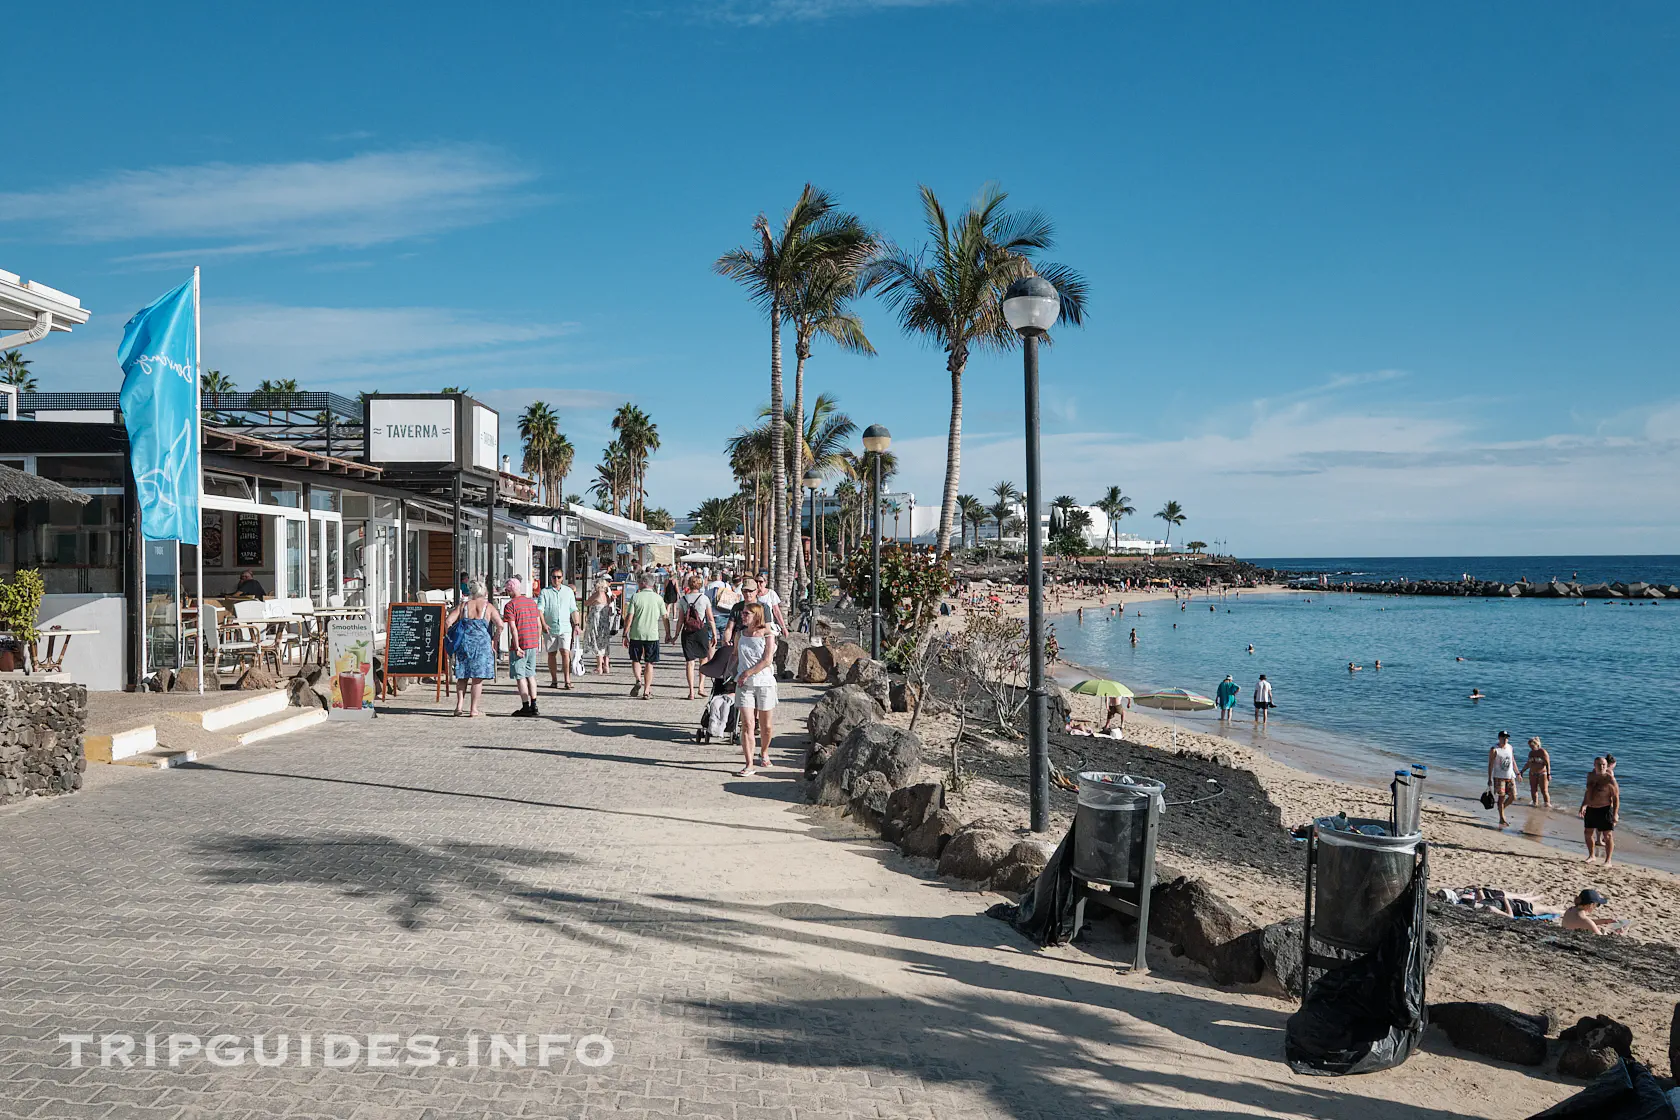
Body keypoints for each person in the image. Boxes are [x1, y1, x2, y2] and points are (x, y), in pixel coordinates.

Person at [733, 603, 778, 776]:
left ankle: (764, 752)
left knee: (766, 726)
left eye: (746, 613)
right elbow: (735, 655)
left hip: (764, 683)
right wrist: (727, 672)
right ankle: (749, 763)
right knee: (747, 724)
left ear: (756, 615)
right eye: (742, 613)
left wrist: (748, 672)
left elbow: (767, 660)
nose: (743, 616)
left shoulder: (767, 634)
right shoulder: (740, 634)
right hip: (744, 685)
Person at [444, 580, 501, 717]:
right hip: (482, 644)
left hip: (464, 643)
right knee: (477, 678)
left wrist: (451, 635)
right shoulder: (488, 607)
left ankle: (459, 706)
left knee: (462, 676)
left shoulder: (463, 606)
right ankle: (473, 709)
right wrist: (494, 640)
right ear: (484, 592)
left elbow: (448, 621)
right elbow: (500, 625)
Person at [500, 576, 545, 717]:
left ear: (510, 590)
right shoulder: (532, 602)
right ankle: (534, 705)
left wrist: (517, 647)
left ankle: (525, 706)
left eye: (507, 591)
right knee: (531, 674)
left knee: (520, 676)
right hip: (532, 643)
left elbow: (513, 629)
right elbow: (538, 625)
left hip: (521, 644)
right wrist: (537, 642)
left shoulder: (510, 606)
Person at [622, 572, 667, 699]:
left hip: (636, 634)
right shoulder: (658, 598)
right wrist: (668, 633)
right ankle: (647, 691)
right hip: (652, 635)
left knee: (636, 660)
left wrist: (625, 634)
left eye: (639, 582)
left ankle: (638, 680)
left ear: (643, 583)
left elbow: (629, 617)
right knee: (649, 663)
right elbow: (665, 617)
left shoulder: (636, 597)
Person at [675, 574, 717, 701]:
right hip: (701, 631)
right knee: (703, 659)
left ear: (689, 584)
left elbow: (680, 620)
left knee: (690, 661)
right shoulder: (704, 599)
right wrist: (714, 634)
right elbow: (710, 618)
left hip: (687, 632)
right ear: (700, 585)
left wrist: (676, 634)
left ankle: (691, 691)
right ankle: (701, 687)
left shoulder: (683, 600)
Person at [537, 569, 580, 690]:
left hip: (565, 627)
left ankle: (567, 680)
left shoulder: (568, 591)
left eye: (559, 577)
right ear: (551, 578)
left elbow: (573, 609)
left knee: (565, 652)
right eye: (554, 577)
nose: (556, 579)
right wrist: (543, 624)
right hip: (550, 628)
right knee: (551, 654)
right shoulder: (545, 592)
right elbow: (540, 609)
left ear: (562, 578)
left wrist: (577, 624)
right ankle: (554, 680)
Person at [1579, 756, 1620, 865]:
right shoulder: (1590, 776)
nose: (1601, 767)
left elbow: (1616, 798)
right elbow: (1588, 792)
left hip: (1605, 809)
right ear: (1594, 765)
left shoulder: (1610, 779)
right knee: (1587, 833)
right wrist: (1583, 805)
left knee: (1607, 835)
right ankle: (1591, 856)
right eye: (1599, 764)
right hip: (1591, 808)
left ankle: (1608, 861)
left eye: (1603, 765)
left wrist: (1615, 814)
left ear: (1607, 766)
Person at [581, 580, 616, 676]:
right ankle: (606, 666)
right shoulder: (607, 596)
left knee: (597, 643)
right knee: (605, 643)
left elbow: (586, 603)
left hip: (596, 622)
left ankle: (599, 667)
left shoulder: (598, 594)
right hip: (605, 622)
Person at [1487, 730, 1519, 828]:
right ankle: (1502, 818)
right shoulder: (1494, 749)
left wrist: (1518, 773)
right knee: (1501, 798)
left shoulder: (1510, 747)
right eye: (1503, 738)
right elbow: (1490, 764)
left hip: (1510, 776)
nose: (1505, 739)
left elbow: (1513, 760)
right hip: (1499, 777)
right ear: (1499, 738)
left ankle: (1501, 809)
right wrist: (1489, 778)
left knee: (1513, 796)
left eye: (1506, 738)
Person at [1561, 889, 1626, 935]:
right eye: (1597, 905)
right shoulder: (1587, 922)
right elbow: (1603, 940)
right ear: (1591, 905)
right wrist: (1618, 934)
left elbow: (1581, 922)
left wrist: (1605, 921)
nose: (1596, 907)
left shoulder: (1570, 910)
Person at [1521, 736, 1552, 808]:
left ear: (1537, 744)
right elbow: (1528, 764)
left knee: (1544, 790)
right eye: (1530, 746)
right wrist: (1522, 771)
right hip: (1532, 773)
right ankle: (1535, 804)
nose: (1531, 748)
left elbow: (1548, 764)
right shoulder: (1531, 753)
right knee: (1533, 790)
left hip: (1542, 773)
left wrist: (1548, 774)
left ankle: (1547, 805)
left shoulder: (1543, 752)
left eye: (1532, 746)